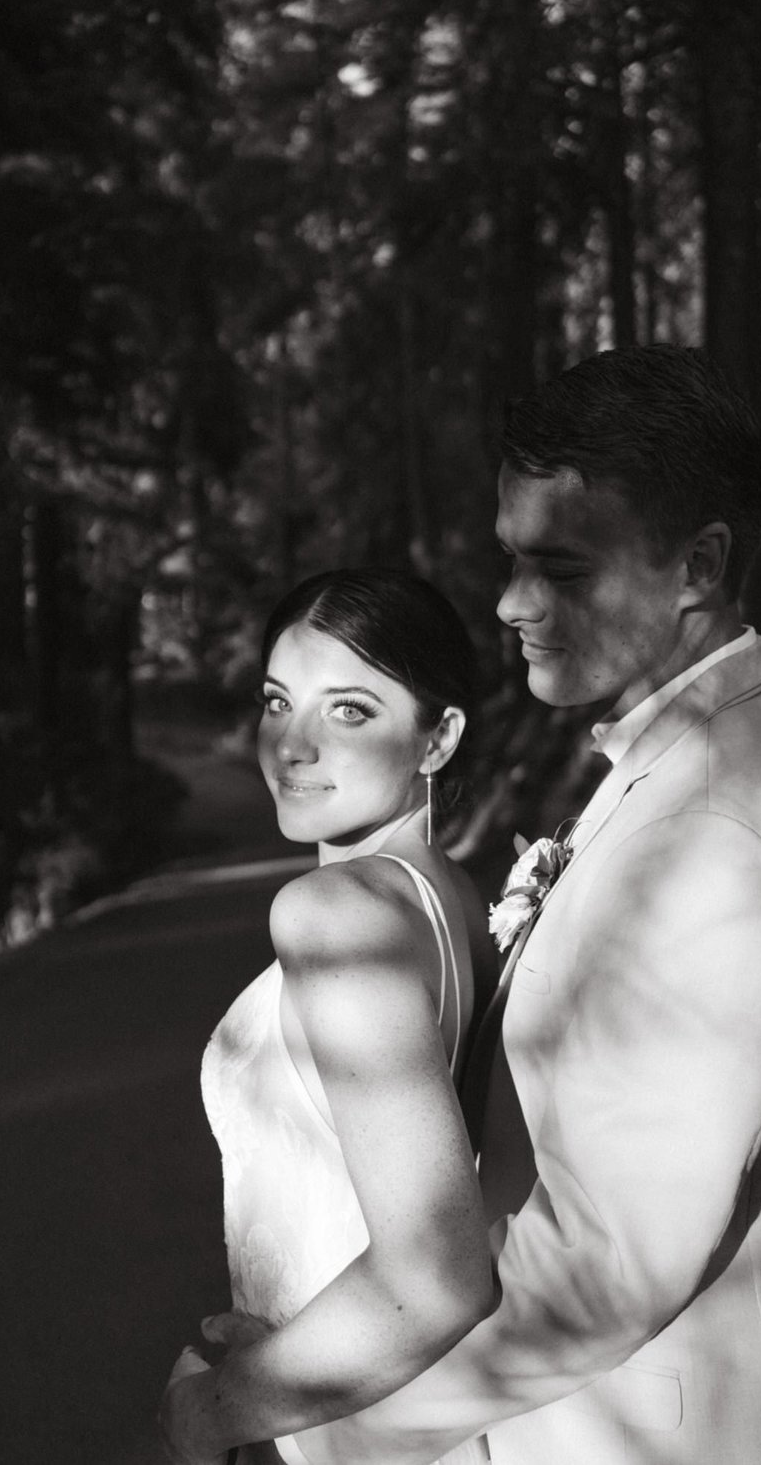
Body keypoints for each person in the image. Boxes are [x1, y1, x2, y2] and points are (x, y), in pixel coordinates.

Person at [237, 343, 761, 1465]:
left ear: (697, 565)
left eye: (563, 569)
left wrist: (310, 1417)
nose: (509, 602)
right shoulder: (672, 772)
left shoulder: (714, 825)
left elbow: (604, 1266)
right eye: (509, 559)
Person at [158, 568, 498, 1465]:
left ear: (439, 737)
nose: (292, 745)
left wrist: (211, 1413)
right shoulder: (450, 897)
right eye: (278, 701)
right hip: (383, 1403)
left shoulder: (333, 914)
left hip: (355, 1434)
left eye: (348, 710)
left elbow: (437, 1276)